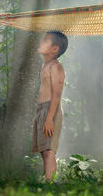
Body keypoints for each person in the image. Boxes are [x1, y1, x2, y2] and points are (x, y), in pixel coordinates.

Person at [32, 31, 68, 181]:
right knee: (43, 150)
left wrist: (49, 118)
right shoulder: (45, 65)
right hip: (42, 110)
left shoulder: (56, 67)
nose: (41, 43)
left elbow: (57, 95)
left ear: (55, 49)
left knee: (49, 150)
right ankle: (48, 181)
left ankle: (49, 185)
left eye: (46, 41)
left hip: (50, 110)